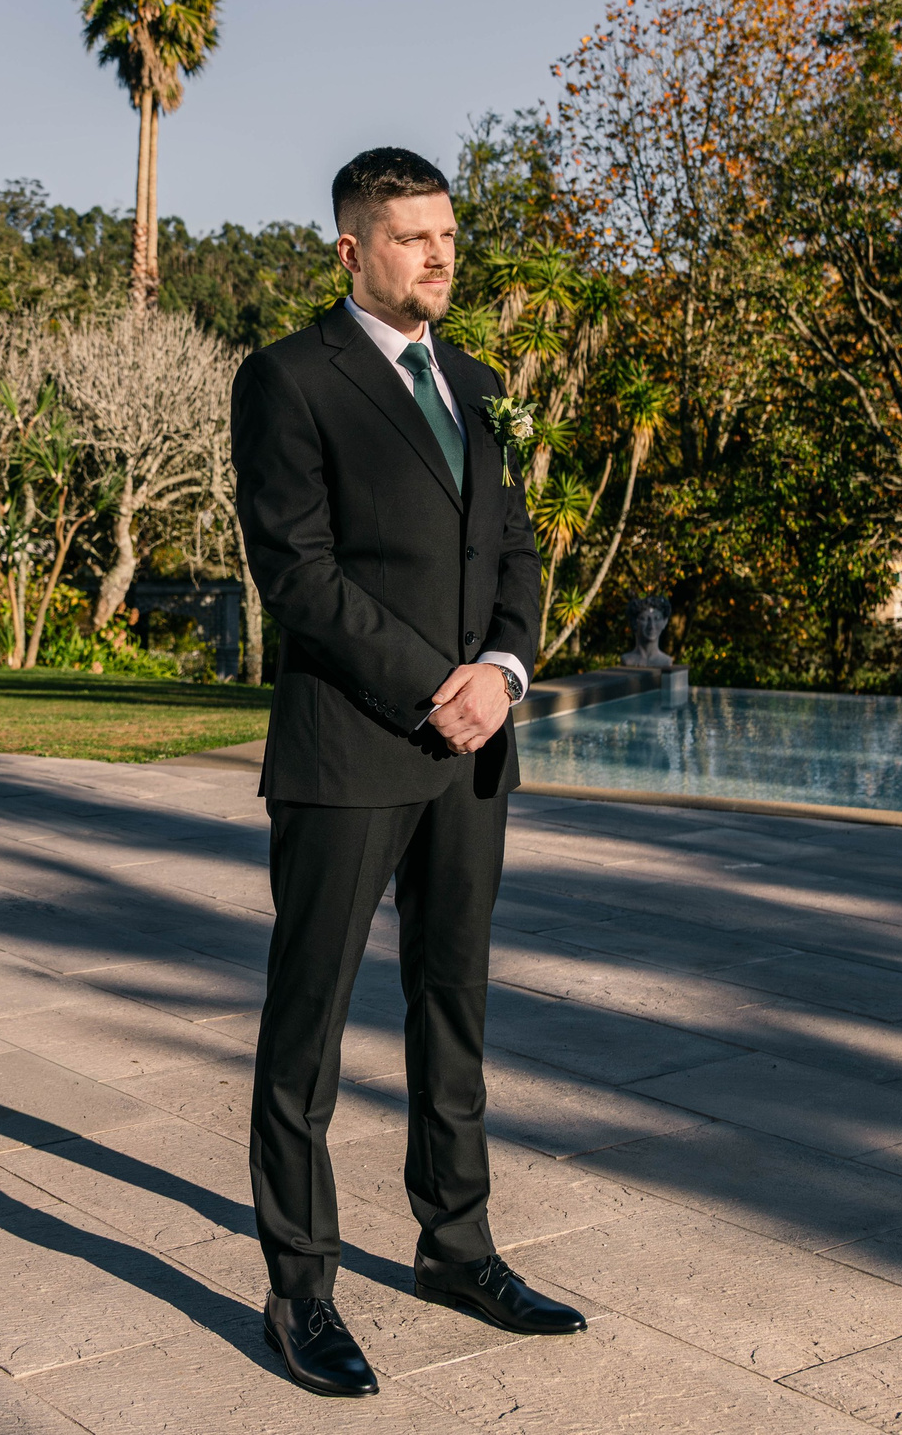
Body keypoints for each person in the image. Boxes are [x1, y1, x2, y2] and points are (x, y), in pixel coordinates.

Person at [231, 148, 585, 1399]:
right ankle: (299, 1288)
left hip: (473, 757)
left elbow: (516, 553)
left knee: (453, 1008)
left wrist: (502, 667)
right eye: (412, 238)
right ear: (350, 250)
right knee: (307, 1028)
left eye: (447, 235)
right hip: (348, 750)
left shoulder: (479, 383)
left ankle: (457, 1245)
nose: (440, 256)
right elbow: (297, 571)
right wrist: (436, 682)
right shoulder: (285, 378)